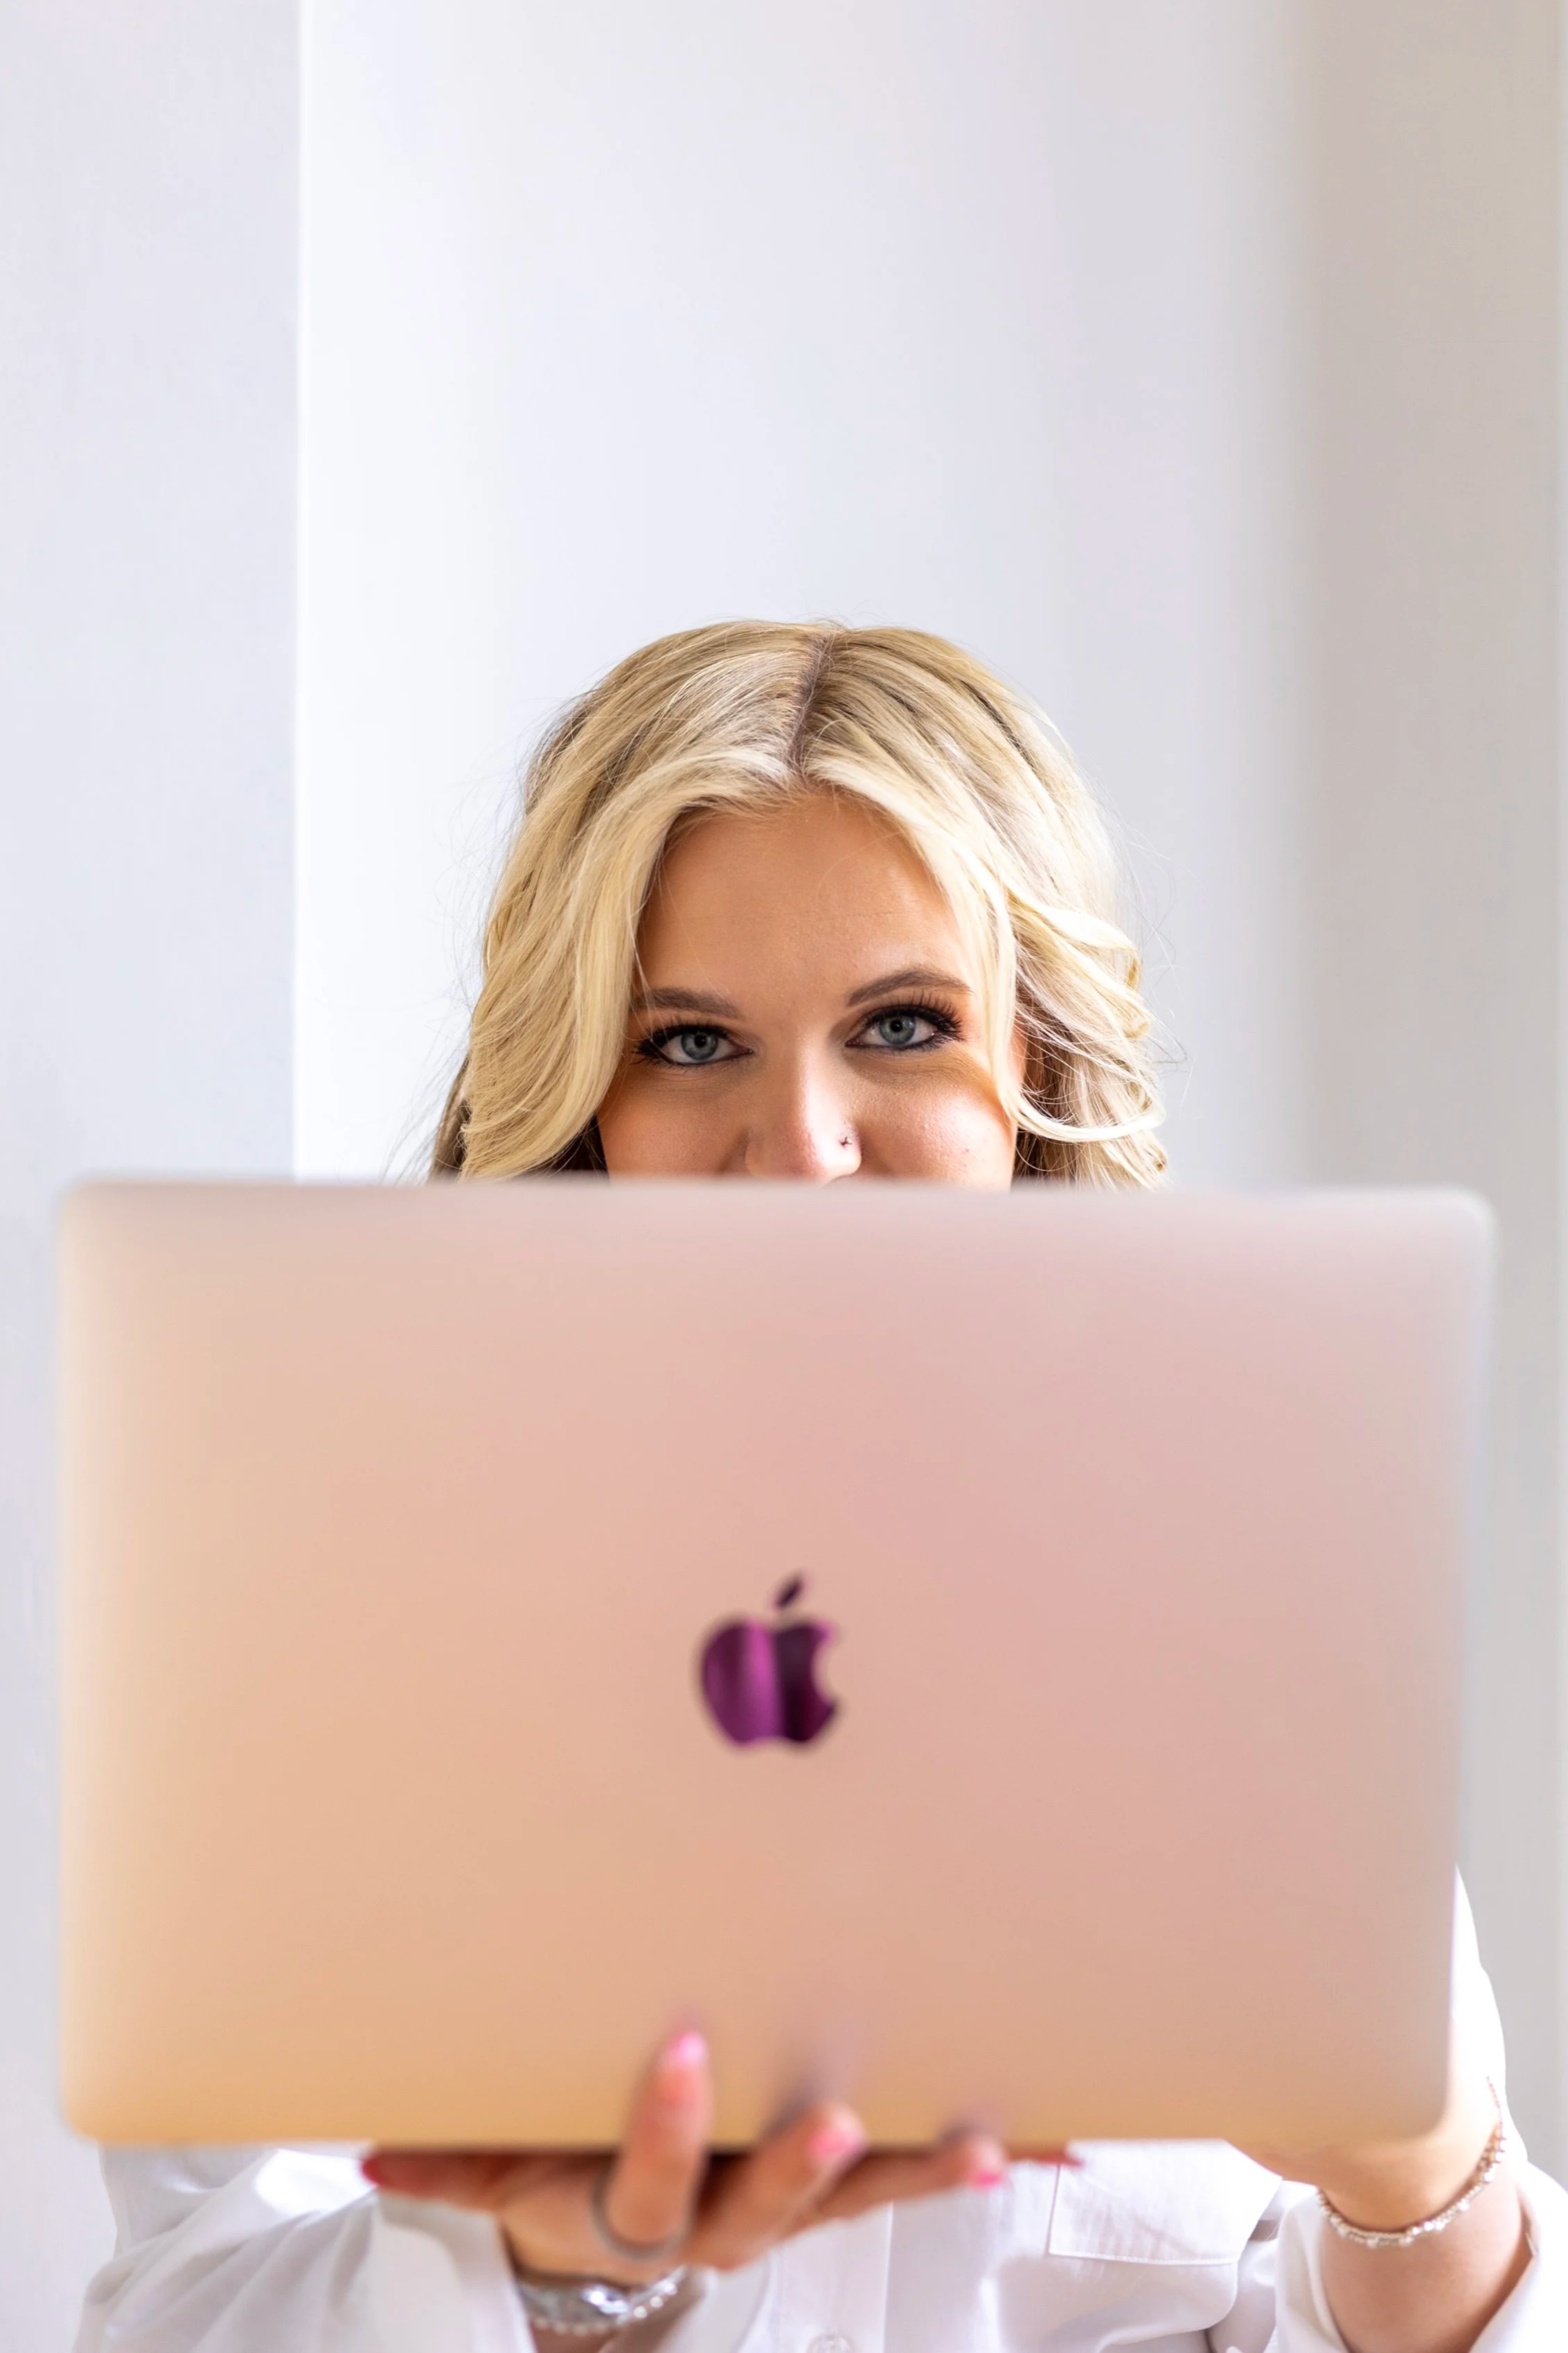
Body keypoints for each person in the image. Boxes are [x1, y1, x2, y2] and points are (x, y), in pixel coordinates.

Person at [78, 625, 1566, 2352]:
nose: (800, 1146)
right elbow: (180, 2315)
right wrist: (560, 2283)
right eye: (694, 1043)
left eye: (903, 1027)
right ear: (581, 1110)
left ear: (1041, 1084)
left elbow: (1322, 2293)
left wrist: (1425, 2180)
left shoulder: (1239, 1659)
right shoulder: (330, 1642)